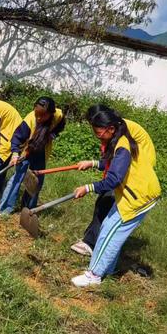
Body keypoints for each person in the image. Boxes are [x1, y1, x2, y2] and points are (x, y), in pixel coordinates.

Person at [71, 107, 161, 287]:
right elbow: (112, 164)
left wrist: (88, 188)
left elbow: (113, 179)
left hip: (138, 197)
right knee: (107, 228)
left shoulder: (123, 144)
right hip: (133, 193)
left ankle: (94, 275)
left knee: (109, 235)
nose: (97, 136)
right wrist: (93, 163)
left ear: (110, 129)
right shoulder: (121, 139)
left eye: (98, 132)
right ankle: (108, 269)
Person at [0, 97, 66, 214]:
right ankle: (4, 209)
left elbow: (61, 123)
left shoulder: (57, 115)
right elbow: (17, 138)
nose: (39, 118)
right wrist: (15, 154)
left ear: (51, 114)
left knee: (36, 180)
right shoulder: (29, 121)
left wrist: (53, 134)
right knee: (17, 178)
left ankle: (28, 209)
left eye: (43, 116)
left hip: (41, 151)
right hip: (25, 150)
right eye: (37, 114)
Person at [70, 104, 115, 256]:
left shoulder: (118, 142)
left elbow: (116, 172)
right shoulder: (108, 138)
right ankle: (90, 239)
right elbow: (107, 162)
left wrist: (88, 187)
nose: (95, 133)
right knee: (101, 205)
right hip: (110, 179)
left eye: (96, 128)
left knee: (104, 207)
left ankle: (90, 244)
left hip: (118, 183)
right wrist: (92, 163)